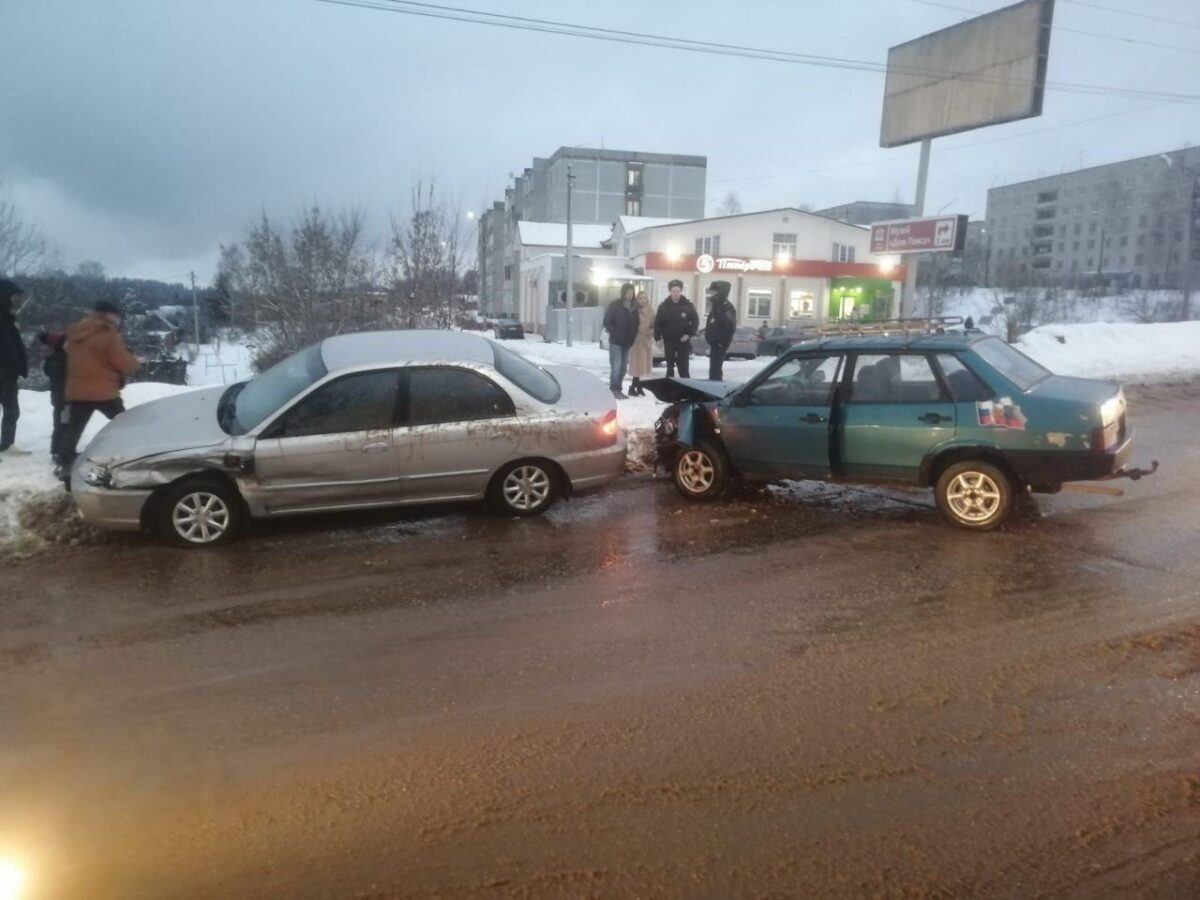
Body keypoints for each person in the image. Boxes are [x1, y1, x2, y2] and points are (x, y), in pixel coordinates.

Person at [55, 299, 139, 477]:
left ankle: (64, 460)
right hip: (103, 390)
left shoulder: (77, 331)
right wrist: (135, 364)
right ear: (109, 315)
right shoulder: (107, 333)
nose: (118, 319)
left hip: (77, 389)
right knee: (125, 422)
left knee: (73, 428)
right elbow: (121, 360)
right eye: (116, 316)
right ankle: (136, 452)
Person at [0, 279, 30, 456]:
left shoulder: (6, 319)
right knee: (11, 410)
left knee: (12, 410)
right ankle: (5, 446)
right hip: (3, 372)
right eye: (13, 296)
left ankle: (6, 446)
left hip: (8, 374)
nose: (15, 300)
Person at [654, 279, 698, 379]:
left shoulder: (687, 305)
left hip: (683, 340)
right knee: (670, 366)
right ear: (670, 292)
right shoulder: (663, 306)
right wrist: (657, 338)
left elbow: (695, 321)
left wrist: (689, 334)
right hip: (669, 340)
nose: (676, 293)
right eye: (673, 291)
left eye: (678, 291)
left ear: (681, 291)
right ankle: (669, 389)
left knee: (683, 367)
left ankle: (686, 388)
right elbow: (658, 323)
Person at [602, 283, 640, 398]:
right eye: (628, 292)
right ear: (623, 293)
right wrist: (614, 332)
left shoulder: (635, 306)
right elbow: (607, 321)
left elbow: (636, 323)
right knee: (616, 366)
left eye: (632, 292)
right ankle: (613, 389)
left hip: (627, 342)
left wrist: (633, 336)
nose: (630, 295)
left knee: (623, 368)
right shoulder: (615, 305)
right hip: (616, 341)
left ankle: (618, 389)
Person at [37, 331, 68, 463]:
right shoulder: (60, 360)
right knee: (63, 424)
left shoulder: (54, 360)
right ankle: (58, 452)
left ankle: (59, 450)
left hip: (60, 398)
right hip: (64, 399)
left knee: (63, 424)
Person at [703, 280, 737, 382]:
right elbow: (713, 323)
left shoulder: (726, 307)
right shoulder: (717, 305)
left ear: (720, 292)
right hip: (714, 342)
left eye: (714, 292)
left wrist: (721, 342)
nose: (711, 295)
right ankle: (713, 384)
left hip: (720, 343)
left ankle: (716, 387)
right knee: (713, 369)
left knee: (716, 369)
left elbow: (729, 327)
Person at [627, 291, 655, 396]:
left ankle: (636, 386)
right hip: (635, 341)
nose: (643, 300)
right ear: (637, 300)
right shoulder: (634, 310)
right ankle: (634, 386)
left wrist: (649, 332)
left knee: (641, 366)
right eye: (640, 298)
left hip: (645, 341)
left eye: (645, 298)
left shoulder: (651, 311)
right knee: (636, 366)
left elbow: (655, 325)